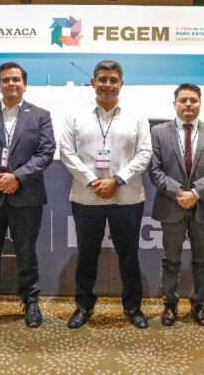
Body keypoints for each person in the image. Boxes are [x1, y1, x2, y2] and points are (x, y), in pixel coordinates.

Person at [59, 59, 152, 329]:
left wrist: (117, 180)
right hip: (87, 198)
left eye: (113, 80)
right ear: (93, 82)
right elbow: (66, 152)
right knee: (87, 255)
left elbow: (145, 153)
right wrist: (92, 181)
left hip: (127, 198)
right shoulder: (75, 115)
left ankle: (133, 307)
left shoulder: (136, 116)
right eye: (102, 79)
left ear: (121, 84)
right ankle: (83, 306)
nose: (107, 85)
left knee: (129, 255)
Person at [0, 62, 55, 328]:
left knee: (27, 252)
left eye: (16, 79)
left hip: (26, 195)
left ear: (25, 84)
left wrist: (17, 177)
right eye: (6, 80)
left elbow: (46, 152)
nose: (11, 84)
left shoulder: (40, 115)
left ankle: (31, 302)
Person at [148, 83, 204, 327]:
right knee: (171, 260)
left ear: (200, 103)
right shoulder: (158, 132)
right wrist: (180, 193)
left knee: (202, 261)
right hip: (172, 205)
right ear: (175, 104)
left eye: (193, 100)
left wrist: (195, 193)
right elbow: (154, 170)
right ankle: (170, 304)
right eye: (183, 100)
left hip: (203, 207)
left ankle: (198, 304)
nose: (188, 104)